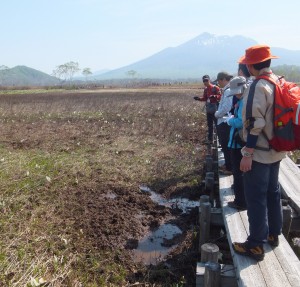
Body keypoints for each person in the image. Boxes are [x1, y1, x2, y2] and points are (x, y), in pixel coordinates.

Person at [232, 45, 286, 261]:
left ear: (252, 65)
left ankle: (255, 244)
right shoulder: (278, 82)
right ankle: (274, 234)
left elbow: (255, 123)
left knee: (255, 197)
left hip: (260, 152)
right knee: (273, 192)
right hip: (277, 149)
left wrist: (247, 153)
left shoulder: (258, 86)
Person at [226, 76, 248, 210]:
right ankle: (242, 200)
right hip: (240, 142)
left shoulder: (244, 102)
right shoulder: (245, 100)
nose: (236, 94)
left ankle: (240, 202)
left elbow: (241, 122)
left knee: (238, 173)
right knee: (240, 173)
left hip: (238, 143)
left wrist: (230, 120)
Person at [214, 72, 233, 175]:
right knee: (225, 145)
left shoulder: (228, 91)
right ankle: (228, 164)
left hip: (225, 122)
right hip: (225, 121)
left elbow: (226, 107)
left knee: (226, 145)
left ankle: (229, 168)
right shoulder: (227, 90)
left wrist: (217, 114)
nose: (218, 83)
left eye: (219, 81)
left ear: (223, 80)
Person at [194, 75, 221, 143]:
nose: (205, 82)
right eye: (204, 81)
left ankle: (220, 140)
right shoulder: (206, 89)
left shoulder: (216, 88)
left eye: (206, 80)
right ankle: (210, 139)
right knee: (210, 125)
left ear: (209, 80)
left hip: (215, 109)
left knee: (217, 124)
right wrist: (198, 98)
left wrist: (215, 96)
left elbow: (220, 96)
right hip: (209, 109)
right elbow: (205, 98)